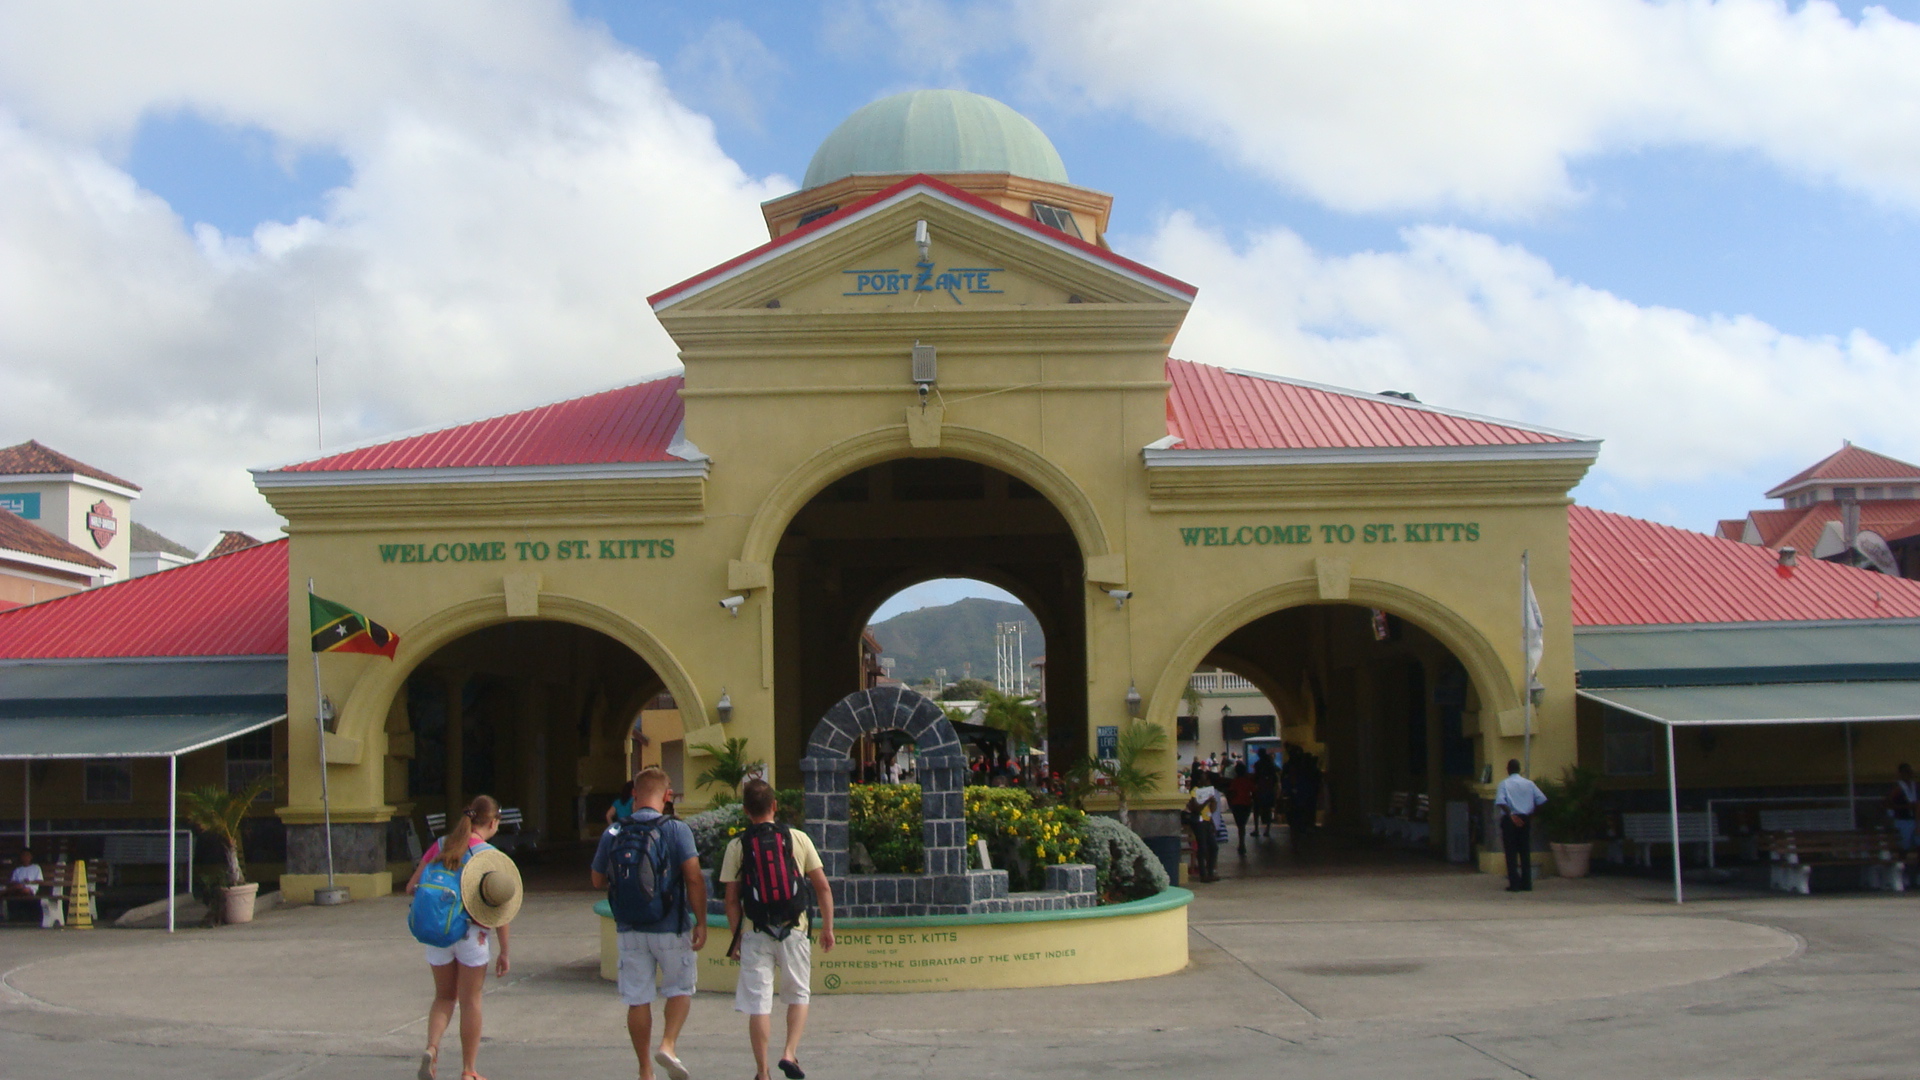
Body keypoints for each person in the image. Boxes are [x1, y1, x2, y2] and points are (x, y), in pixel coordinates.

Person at [593, 767, 707, 1080]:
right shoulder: (676, 830)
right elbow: (694, 877)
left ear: (635, 794)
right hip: (671, 926)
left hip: (629, 928)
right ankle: (668, 1045)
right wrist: (701, 922)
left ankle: (645, 1070)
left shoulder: (614, 831)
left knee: (637, 998)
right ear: (667, 796)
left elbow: (596, 878)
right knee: (680, 988)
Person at [721, 778, 836, 1080]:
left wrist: (737, 938)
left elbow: (731, 899)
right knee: (798, 993)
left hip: (755, 931)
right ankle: (789, 1053)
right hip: (795, 928)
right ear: (774, 806)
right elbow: (822, 887)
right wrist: (828, 927)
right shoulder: (797, 839)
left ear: (746, 811)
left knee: (759, 1002)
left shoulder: (738, 845)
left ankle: (762, 1072)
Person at [404, 795, 511, 1080]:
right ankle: (468, 1070)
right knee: (471, 1000)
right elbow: (501, 909)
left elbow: (411, 887)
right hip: (470, 935)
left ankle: (432, 1048)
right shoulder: (488, 855)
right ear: (492, 822)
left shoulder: (441, 845)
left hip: (437, 932)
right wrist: (505, 951)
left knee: (443, 997)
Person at [1494, 759, 1548, 892]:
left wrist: (1512, 815)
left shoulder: (1504, 784)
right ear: (1519, 769)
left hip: (1510, 819)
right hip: (1525, 818)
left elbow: (1501, 801)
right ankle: (1526, 883)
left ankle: (1514, 884)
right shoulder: (1529, 784)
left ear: (1508, 769)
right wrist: (1531, 815)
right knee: (1525, 851)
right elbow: (1542, 800)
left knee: (1511, 852)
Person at [1185, 770, 1225, 883]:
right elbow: (1196, 808)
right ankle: (1203, 874)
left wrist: (1213, 802)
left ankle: (1210, 871)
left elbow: (1212, 810)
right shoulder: (1195, 791)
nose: (1206, 779)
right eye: (1204, 777)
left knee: (1213, 847)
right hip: (1199, 821)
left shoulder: (1207, 791)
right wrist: (1207, 801)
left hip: (1207, 820)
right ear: (1199, 780)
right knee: (1202, 847)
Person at [1226, 763, 1257, 853]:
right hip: (1246, 804)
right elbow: (1254, 792)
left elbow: (1231, 793)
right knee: (1242, 824)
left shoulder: (1234, 781)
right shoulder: (1248, 781)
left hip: (1236, 805)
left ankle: (1241, 843)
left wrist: (1230, 803)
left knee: (1240, 825)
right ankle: (1242, 843)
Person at [1889, 764, 1919, 850]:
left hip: (1916, 819)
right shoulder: (1896, 788)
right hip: (1902, 820)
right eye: (1906, 772)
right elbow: (1888, 804)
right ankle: (1903, 862)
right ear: (1900, 774)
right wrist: (1905, 807)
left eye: (1909, 772)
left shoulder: (1916, 786)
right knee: (1903, 846)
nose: (1908, 775)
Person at [1252, 750, 1279, 839]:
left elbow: (1255, 777)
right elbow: (1275, 777)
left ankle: (1256, 829)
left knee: (1256, 810)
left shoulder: (1257, 764)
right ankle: (1267, 830)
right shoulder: (1271, 764)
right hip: (1269, 790)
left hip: (1259, 790)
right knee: (1268, 809)